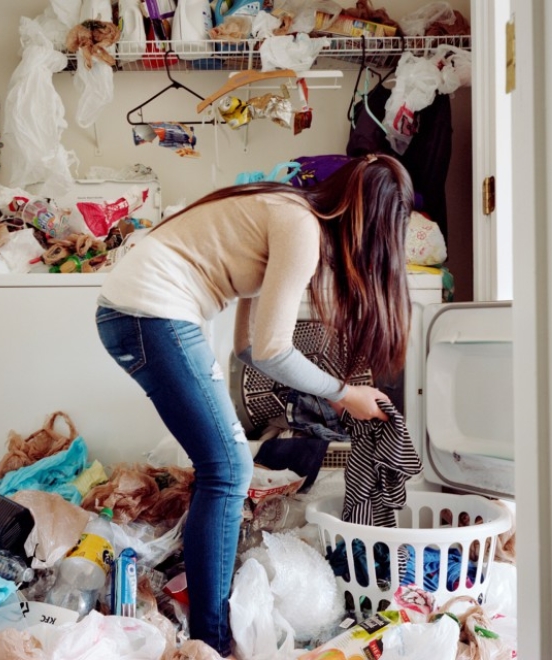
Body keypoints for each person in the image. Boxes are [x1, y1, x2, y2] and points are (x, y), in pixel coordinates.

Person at [95, 154, 414, 657]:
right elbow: (272, 350)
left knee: (225, 466)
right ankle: (213, 643)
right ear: (365, 220)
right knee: (227, 469)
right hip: (151, 311)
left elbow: (248, 347)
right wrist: (343, 393)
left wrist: (325, 394)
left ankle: (209, 633)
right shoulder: (300, 227)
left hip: (140, 312)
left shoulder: (284, 211)